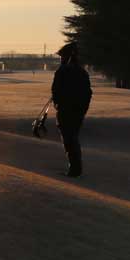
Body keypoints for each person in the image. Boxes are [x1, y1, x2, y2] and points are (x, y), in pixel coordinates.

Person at [50, 41, 92, 178]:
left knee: (69, 140)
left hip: (66, 111)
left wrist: (58, 104)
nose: (60, 59)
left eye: (62, 56)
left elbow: (55, 91)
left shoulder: (62, 71)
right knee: (73, 138)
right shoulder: (82, 72)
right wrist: (83, 109)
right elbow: (88, 93)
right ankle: (75, 168)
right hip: (78, 112)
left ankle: (74, 169)